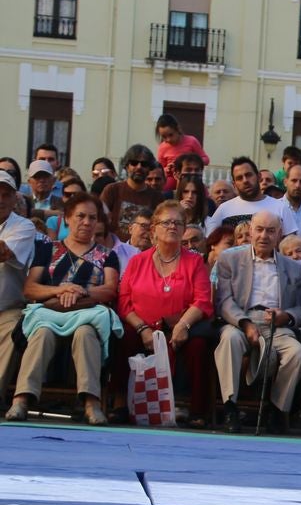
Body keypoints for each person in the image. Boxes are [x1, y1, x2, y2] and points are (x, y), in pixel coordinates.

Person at [7, 194, 118, 426]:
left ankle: (91, 402)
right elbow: (31, 288)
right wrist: (61, 289)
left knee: (86, 333)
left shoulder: (107, 255)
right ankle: (21, 399)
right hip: (50, 313)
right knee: (42, 333)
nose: (87, 222)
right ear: (67, 218)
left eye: (92, 218)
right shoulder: (47, 249)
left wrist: (80, 292)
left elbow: (109, 290)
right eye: (80, 216)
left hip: (85, 313)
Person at [116, 200, 214, 424]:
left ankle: (197, 411)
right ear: (153, 229)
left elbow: (202, 300)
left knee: (198, 344)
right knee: (125, 337)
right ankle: (120, 404)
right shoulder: (137, 261)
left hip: (179, 326)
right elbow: (124, 301)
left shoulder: (195, 262)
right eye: (167, 222)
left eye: (178, 223)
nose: (173, 227)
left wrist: (183, 326)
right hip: (143, 326)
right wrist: (142, 329)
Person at [213, 211, 301, 434]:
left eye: (270, 231)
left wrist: (286, 315)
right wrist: (246, 324)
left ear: (279, 235)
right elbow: (224, 301)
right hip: (240, 320)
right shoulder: (230, 259)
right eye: (259, 229)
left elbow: (299, 308)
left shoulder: (294, 268)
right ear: (250, 232)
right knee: (229, 339)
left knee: (299, 354)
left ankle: (276, 410)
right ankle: (230, 406)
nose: (264, 236)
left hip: (277, 325)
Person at [0, 171, 36, 391]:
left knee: (11, 329)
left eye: (6, 195)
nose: (0, 200)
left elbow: (4, 254)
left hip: (8, 309)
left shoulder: (24, 226)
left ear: (15, 199)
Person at [205, 157, 298, 236]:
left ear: (259, 176)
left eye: (248, 175)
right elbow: (211, 243)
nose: (245, 180)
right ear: (234, 184)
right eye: (239, 178)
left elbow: (290, 244)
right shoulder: (223, 210)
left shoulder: (280, 207)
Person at [99, 145, 162, 241]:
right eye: (134, 163)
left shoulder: (157, 197)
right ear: (126, 166)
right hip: (114, 250)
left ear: (149, 168)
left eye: (144, 164)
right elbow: (99, 220)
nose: (139, 167)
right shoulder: (112, 190)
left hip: (143, 251)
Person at [155, 113, 209, 191]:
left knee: (204, 193)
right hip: (171, 179)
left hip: (190, 177)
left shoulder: (191, 141)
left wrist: (192, 162)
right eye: (164, 137)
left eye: (171, 135)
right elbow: (160, 169)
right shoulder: (162, 147)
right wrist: (167, 169)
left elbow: (206, 159)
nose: (168, 139)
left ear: (178, 129)